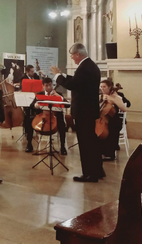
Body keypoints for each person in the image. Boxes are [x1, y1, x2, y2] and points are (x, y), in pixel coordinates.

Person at [51, 43, 103, 183]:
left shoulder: (85, 68)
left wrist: (57, 76)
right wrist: (61, 75)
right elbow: (77, 81)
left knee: (86, 143)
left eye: (72, 55)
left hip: (84, 111)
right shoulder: (90, 66)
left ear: (78, 54)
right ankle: (97, 170)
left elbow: (73, 84)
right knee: (92, 142)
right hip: (89, 110)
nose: (72, 58)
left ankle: (89, 174)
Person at [25, 78, 67, 155]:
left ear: (52, 84)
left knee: (61, 124)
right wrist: (36, 105)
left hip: (55, 116)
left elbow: (67, 105)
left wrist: (58, 96)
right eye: (46, 85)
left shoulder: (58, 94)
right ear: (43, 86)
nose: (48, 87)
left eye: (50, 85)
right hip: (42, 116)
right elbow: (31, 105)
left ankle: (63, 146)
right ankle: (29, 144)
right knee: (29, 121)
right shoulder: (40, 94)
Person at [97, 79, 127, 161]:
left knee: (111, 128)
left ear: (110, 87)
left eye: (104, 87)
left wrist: (112, 100)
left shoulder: (116, 97)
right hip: (103, 120)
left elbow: (124, 109)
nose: (102, 89)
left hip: (114, 121)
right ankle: (99, 152)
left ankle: (110, 154)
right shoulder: (100, 96)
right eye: (101, 87)